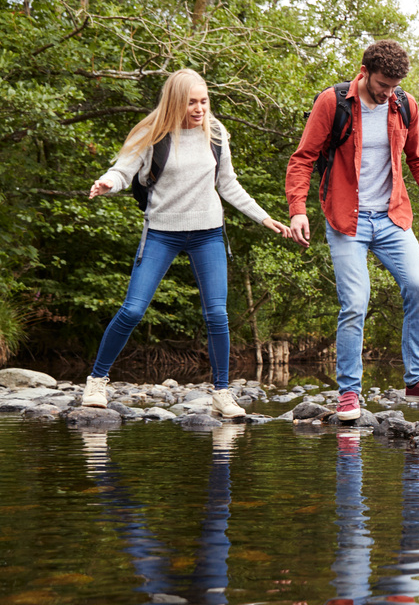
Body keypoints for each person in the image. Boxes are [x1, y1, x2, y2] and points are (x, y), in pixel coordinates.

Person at [84, 69, 290, 416]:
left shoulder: (216, 132)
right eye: (191, 102)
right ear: (176, 103)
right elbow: (123, 170)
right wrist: (107, 183)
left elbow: (228, 184)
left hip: (207, 232)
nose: (199, 109)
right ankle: (97, 380)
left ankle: (222, 392)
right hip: (162, 232)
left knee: (217, 315)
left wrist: (264, 217)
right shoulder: (154, 133)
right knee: (133, 309)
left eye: (204, 101)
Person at [286, 39, 419, 422]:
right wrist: (298, 210)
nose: (387, 93)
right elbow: (303, 158)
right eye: (382, 85)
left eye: (394, 86)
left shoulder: (404, 106)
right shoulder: (334, 102)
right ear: (364, 72)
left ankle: (415, 380)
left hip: (392, 217)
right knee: (355, 302)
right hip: (347, 219)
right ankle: (348, 392)